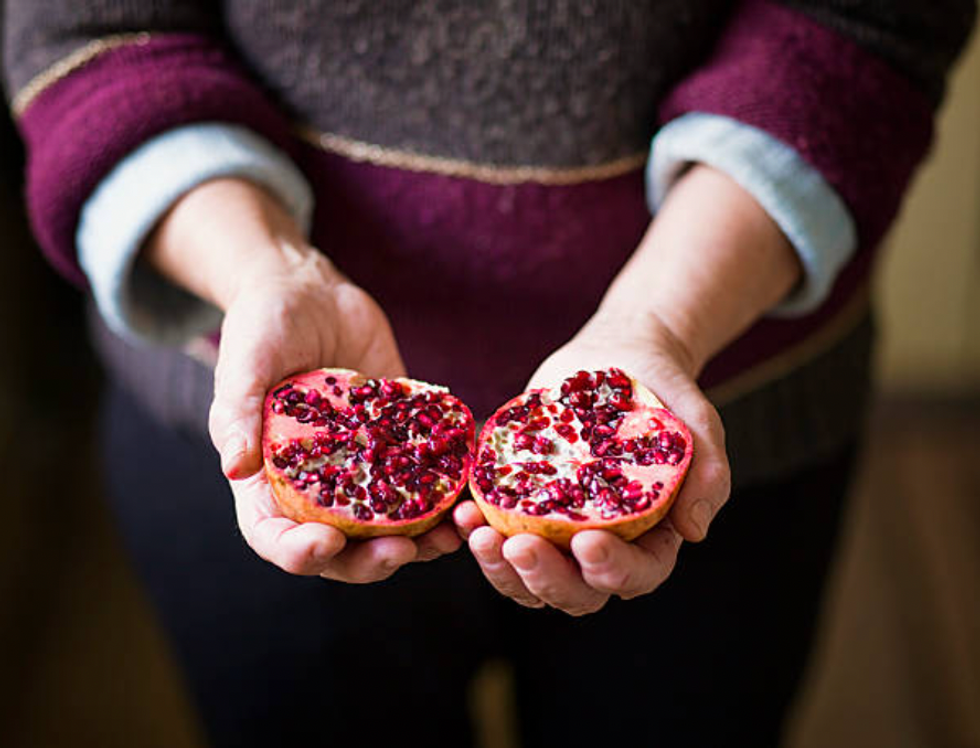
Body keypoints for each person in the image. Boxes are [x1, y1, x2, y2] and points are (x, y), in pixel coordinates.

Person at [4, 2, 974, 746]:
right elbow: (91, 28)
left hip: (730, 393)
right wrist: (267, 270)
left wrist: (661, 322)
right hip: (235, 388)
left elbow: (863, 22)